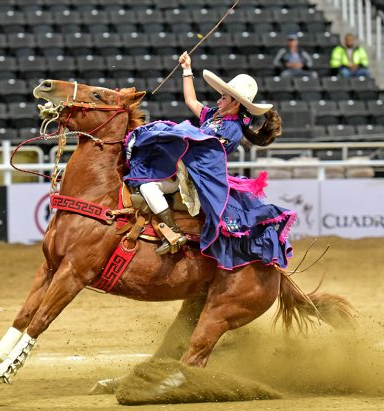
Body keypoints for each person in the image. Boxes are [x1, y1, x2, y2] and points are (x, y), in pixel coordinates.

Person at [124, 52, 295, 270]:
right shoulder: (215, 115)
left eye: (224, 96)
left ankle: (173, 231)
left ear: (236, 103)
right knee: (146, 182)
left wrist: (181, 133)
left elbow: (206, 149)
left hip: (198, 179)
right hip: (185, 170)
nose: (218, 99)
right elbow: (191, 101)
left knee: (148, 185)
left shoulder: (231, 129)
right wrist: (187, 69)